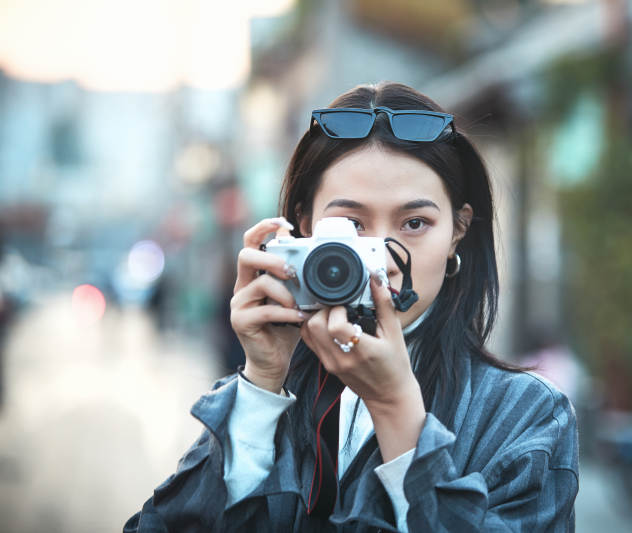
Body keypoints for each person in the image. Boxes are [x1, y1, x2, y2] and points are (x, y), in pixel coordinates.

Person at [125, 82, 578, 532]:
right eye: (350, 225)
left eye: (415, 223)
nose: (380, 259)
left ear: (458, 231)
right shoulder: (269, 399)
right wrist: (261, 385)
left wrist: (396, 409)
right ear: (303, 227)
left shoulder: (526, 415)